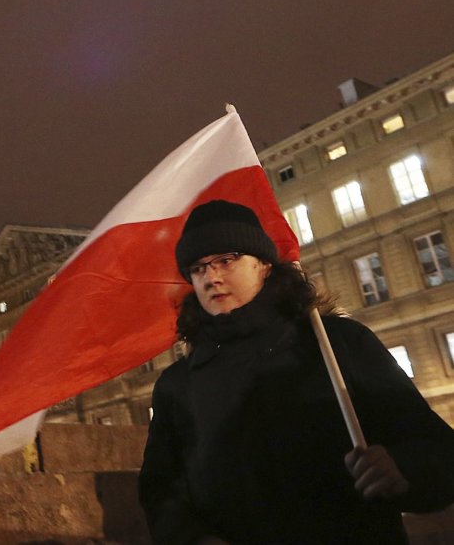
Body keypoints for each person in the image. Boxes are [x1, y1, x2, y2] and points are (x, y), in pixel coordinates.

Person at [138, 199, 454, 544]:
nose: (211, 277)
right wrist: (192, 538)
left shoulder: (337, 343)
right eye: (198, 269)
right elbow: (161, 490)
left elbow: (434, 447)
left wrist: (403, 468)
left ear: (263, 265)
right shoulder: (177, 384)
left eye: (226, 261)